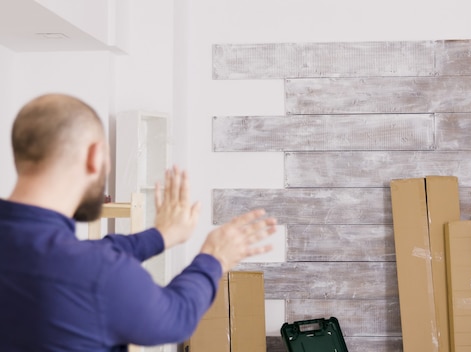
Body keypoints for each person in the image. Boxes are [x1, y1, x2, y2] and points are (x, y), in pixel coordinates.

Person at [0, 93, 277, 351]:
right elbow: (176, 316)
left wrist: (160, 236)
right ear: (95, 156)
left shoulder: (59, 257)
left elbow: (83, 254)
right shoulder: (97, 273)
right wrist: (213, 257)